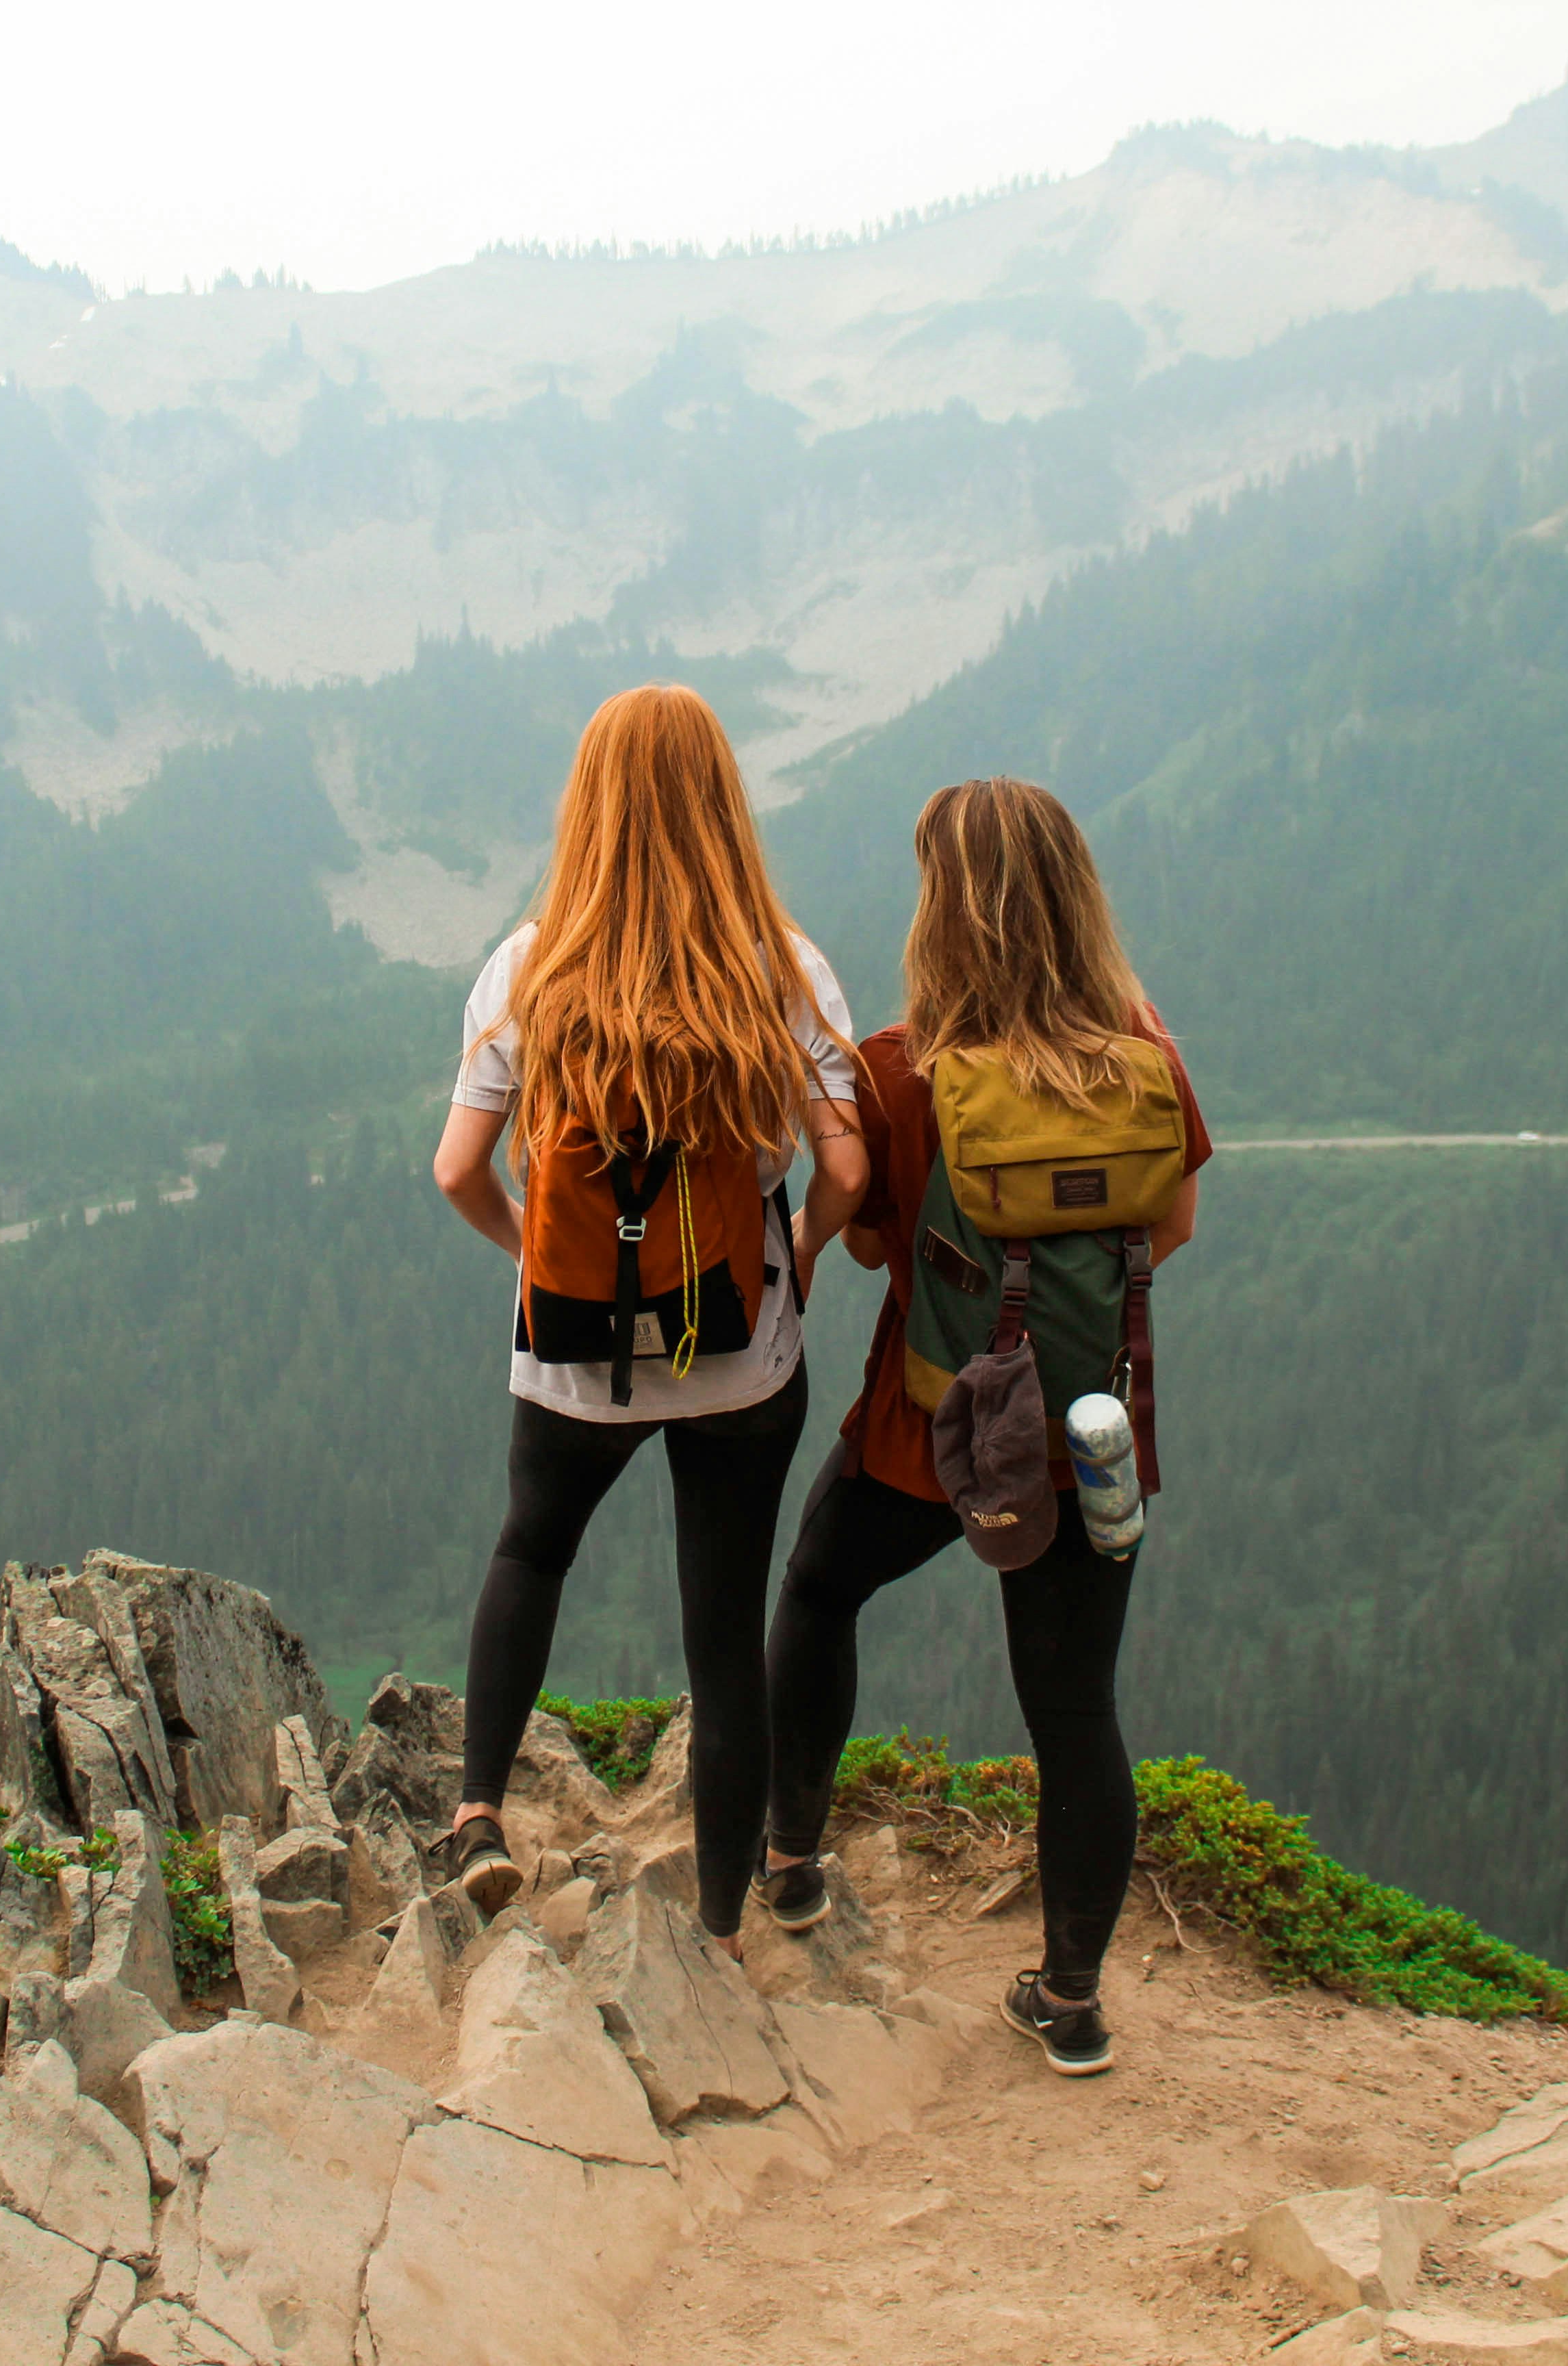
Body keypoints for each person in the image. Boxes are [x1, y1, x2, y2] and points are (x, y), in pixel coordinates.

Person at [759, 776, 1209, 2075]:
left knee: (819, 1587)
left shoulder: (905, 1071)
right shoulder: (1144, 1053)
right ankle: (1071, 2001)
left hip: (931, 1430)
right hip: (1086, 1438)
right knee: (1076, 1708)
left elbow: (868, 1247)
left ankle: (791, 1861)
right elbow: (1168, 1227)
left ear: (942, 915)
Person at [430, 683, 868, 1948]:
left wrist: (536, 1262)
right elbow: (841, 1169)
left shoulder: (529, 967)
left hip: (570, 1357)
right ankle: (723, 1931)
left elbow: (459, 1171)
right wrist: (801, 1247)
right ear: (723, 804)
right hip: (738, 1358)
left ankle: (475, 1817)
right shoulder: (779, 969)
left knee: (530, 1551)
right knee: (724, 1640)